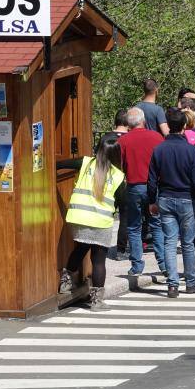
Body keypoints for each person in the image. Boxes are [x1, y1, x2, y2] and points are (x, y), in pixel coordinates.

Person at [58, 138, 125, 310]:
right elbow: (119, 202)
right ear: (116, 154)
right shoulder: (118, 176)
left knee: (80, 248)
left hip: (78, 217)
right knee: (98, 260)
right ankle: (96, 301)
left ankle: (65, 283)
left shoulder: (85, 163)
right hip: (101, 221)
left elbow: (59, 164)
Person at [148, 107, 195, 298]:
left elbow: (152, 179)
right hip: (186, 199)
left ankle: (173, 284)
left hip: (165, 197)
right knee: (188, 242)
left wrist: (151, 201)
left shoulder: (159, 149)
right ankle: (190, 281)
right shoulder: (191, 150)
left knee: (169, 241)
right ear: (183, 126)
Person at [117, 107, 166, 276]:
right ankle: (164, 264)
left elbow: (119, 166)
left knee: (134, 226)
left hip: (134, 186)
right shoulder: (157, 137)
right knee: (157, 225)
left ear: (128, 124)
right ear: (143, 120)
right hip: (154, 187)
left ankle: (137, 265)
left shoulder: (123, 141)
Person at [98, 109, 130, 259]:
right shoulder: (130, 139)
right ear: (128, 122)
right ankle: (121, 250)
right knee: (125, 216)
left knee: (105, 213)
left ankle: (99, 247)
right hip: (123, 181)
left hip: (104, 180)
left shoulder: (105, 138)